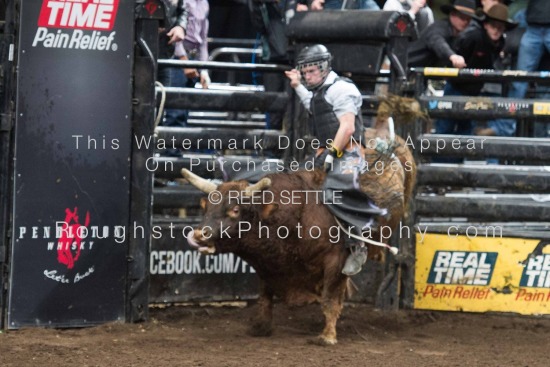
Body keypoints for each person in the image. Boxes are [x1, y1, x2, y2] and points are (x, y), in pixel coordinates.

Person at [284, 45, 386, 276]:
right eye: (304, 72)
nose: (307, 76)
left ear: (323, 68)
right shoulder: (321, 90)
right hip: (325, 151)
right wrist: (298, 85)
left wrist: (331, 155)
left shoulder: (341, 89)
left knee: (337, 189)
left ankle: (357, 245)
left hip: (349, 152)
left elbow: (347, 127)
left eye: (311, 71)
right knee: (294, 183)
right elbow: (315, 106)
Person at [435, 3, 518, 140]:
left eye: (500, 27)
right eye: (493, 26)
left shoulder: (499, 43)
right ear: (486, 25)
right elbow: (456, 53)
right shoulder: (474, 37)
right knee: (445, 126)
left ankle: (457, 159)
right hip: (457, 87)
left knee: (465, 129)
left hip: (473, 90)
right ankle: (439, 160)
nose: (497, 31)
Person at [509, 0, 550, 137]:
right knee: (519, 80)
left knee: (520, 80)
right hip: (532, 26)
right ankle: (506, 127)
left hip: (535, 27)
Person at [408, 0, 482, 68]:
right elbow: (437, 41)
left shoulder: (461, 35)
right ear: (452, 15)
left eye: (468, 19)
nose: (465, 22)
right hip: (407, 69)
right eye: (462, 18)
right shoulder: (440, 27)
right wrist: (453, 56)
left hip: (422, 73)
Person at [157, 0, 189, 130]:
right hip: (136, 52)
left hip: (164, 53)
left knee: (160, 107)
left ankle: (150, 148)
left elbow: (183, 10)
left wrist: (180, 26)